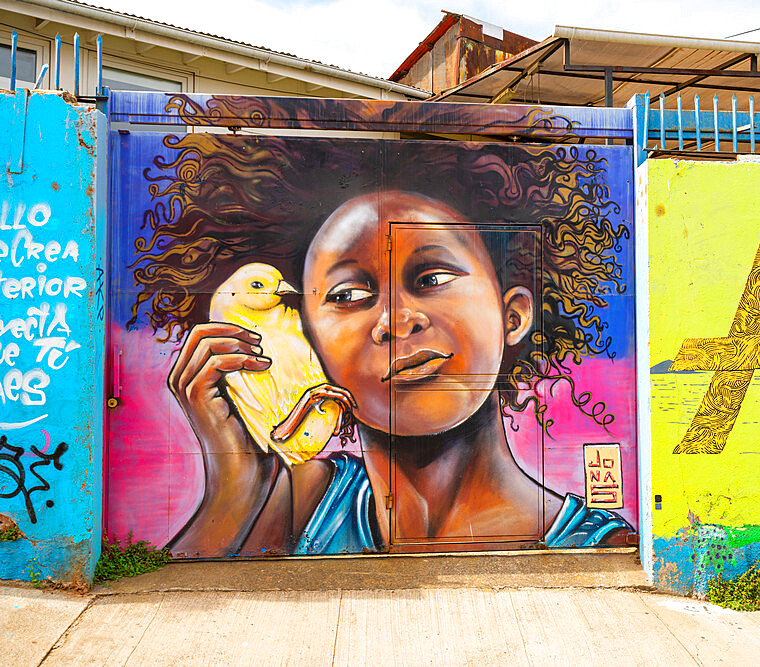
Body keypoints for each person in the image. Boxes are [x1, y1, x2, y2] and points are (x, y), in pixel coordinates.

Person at [128, 118, 635, 556]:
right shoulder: (294, 503)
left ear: (514, 318)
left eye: (432, 278)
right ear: (312, 344)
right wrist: (234, 487)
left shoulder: (603, 548)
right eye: (347, 295)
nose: (395, 320)